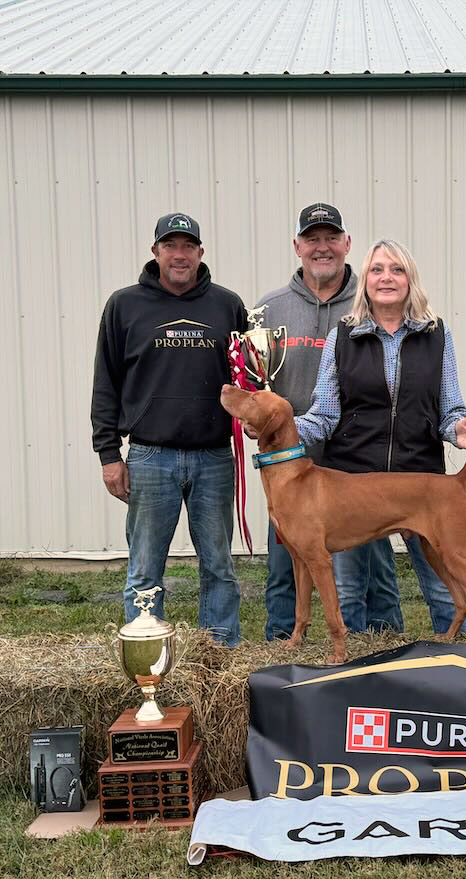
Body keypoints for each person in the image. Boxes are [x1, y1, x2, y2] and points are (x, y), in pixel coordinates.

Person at [296, 239, 466, 635]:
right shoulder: (341, 338)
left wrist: (457, 430)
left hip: (418, 481)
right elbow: (324, 416)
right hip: (352, 484)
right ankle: (350, 674)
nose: (386, 278)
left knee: (445, 590)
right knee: (347, 593)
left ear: (410, 279)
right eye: (377, 270)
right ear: (365, 281)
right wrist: (282, 427)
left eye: (396, 269)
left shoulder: (437, 335)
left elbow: (449, 408)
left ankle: (463, 671)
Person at [91, 212, 248, 645]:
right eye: (170, 246)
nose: (179, 255)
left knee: (218, 564)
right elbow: (106, 383)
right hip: (149, 455)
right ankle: (148, 656)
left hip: (214, 455)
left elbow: (246, 378)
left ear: (200, 252)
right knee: (145, 567)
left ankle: (219, 654)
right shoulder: (124, 305)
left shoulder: (227, 305)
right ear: (155, 251)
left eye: (188, 246)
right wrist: (108, 455)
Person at [253, 203, 402, 642]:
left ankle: (382, 644)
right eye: (312, 239)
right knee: (285, 565)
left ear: (346, 244)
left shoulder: (372, 300)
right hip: (288, 469)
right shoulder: (268, 311)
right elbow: (254, 382)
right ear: (297, 246)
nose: (322, 247)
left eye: (331, 238)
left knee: (373, 565)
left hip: (355, 464)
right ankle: (284, 645)